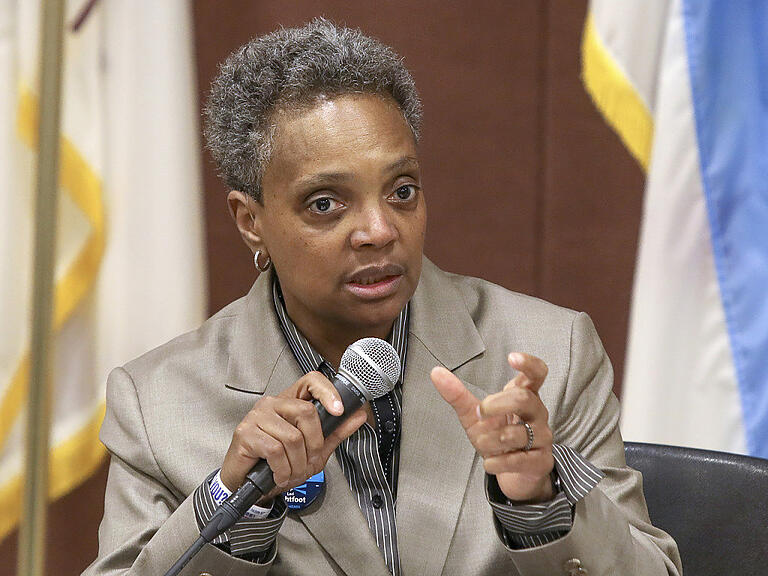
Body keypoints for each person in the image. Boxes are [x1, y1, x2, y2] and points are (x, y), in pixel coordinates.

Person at [83, 19, 682, 576]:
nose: (379, 230)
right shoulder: (159, 402)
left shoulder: (551, 352)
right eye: (325, 203)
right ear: (250, 221)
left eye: (401, 191)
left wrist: (543, 498)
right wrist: (234, 504)